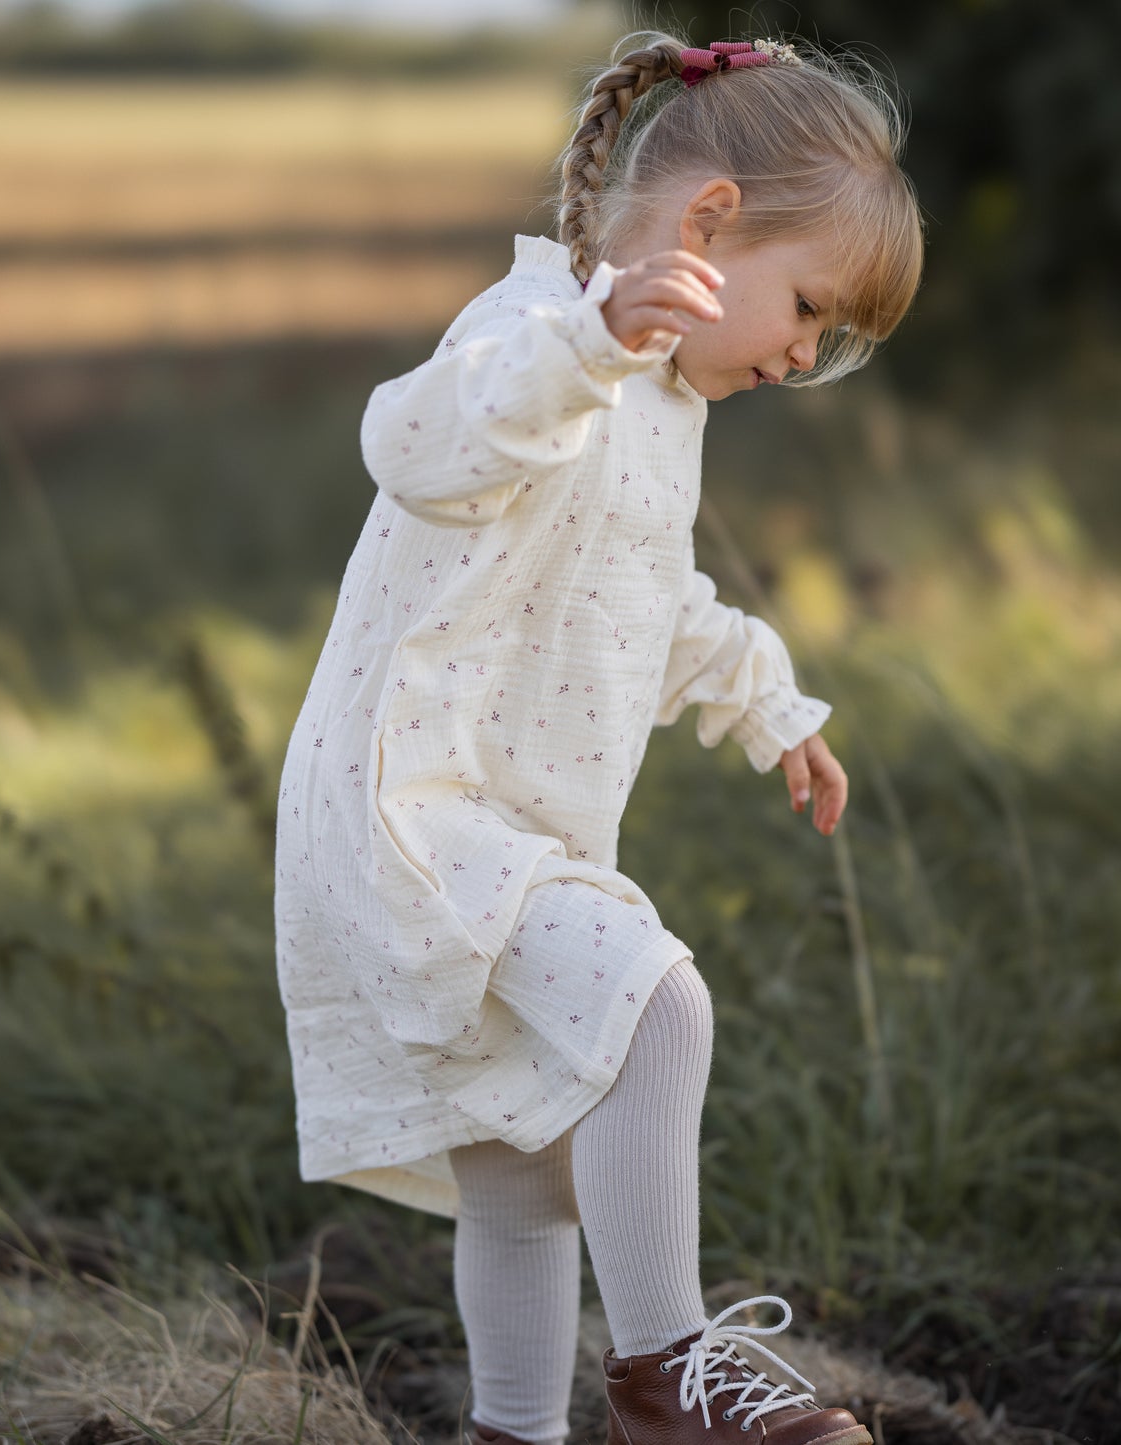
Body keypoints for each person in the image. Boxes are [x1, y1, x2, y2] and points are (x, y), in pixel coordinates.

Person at [274, 28, 923, 1445]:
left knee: (521, 1175)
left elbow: (635, 589)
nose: (805, 351)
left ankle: (511, 1429)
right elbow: (415, 443)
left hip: (507, 821)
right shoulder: (530, 334)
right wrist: (585, 342)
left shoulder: (664, 394)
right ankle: (667, 1374)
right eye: (807, 307)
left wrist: (761, 697)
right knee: (656, 1001)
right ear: (709, 224)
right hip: (411, 808)